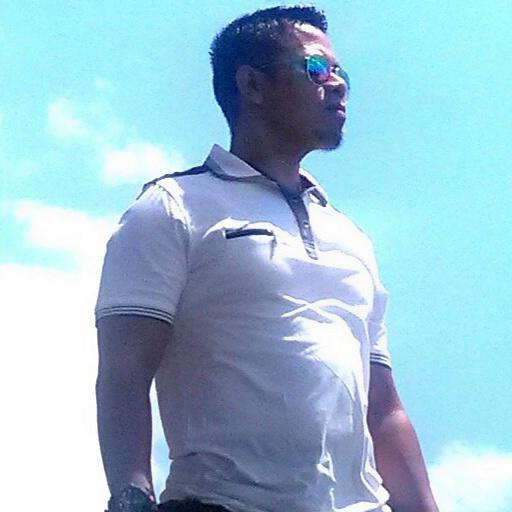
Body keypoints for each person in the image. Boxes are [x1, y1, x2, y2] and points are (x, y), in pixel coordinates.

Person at [95, 5, 439, 512]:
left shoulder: (351, 237)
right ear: (252, 85)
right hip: (220, 503)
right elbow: (124, 373)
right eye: (316, 68)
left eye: (341, 72)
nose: (338, 85)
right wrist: (131, 496)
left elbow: (383, 409)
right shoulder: (172, 207)